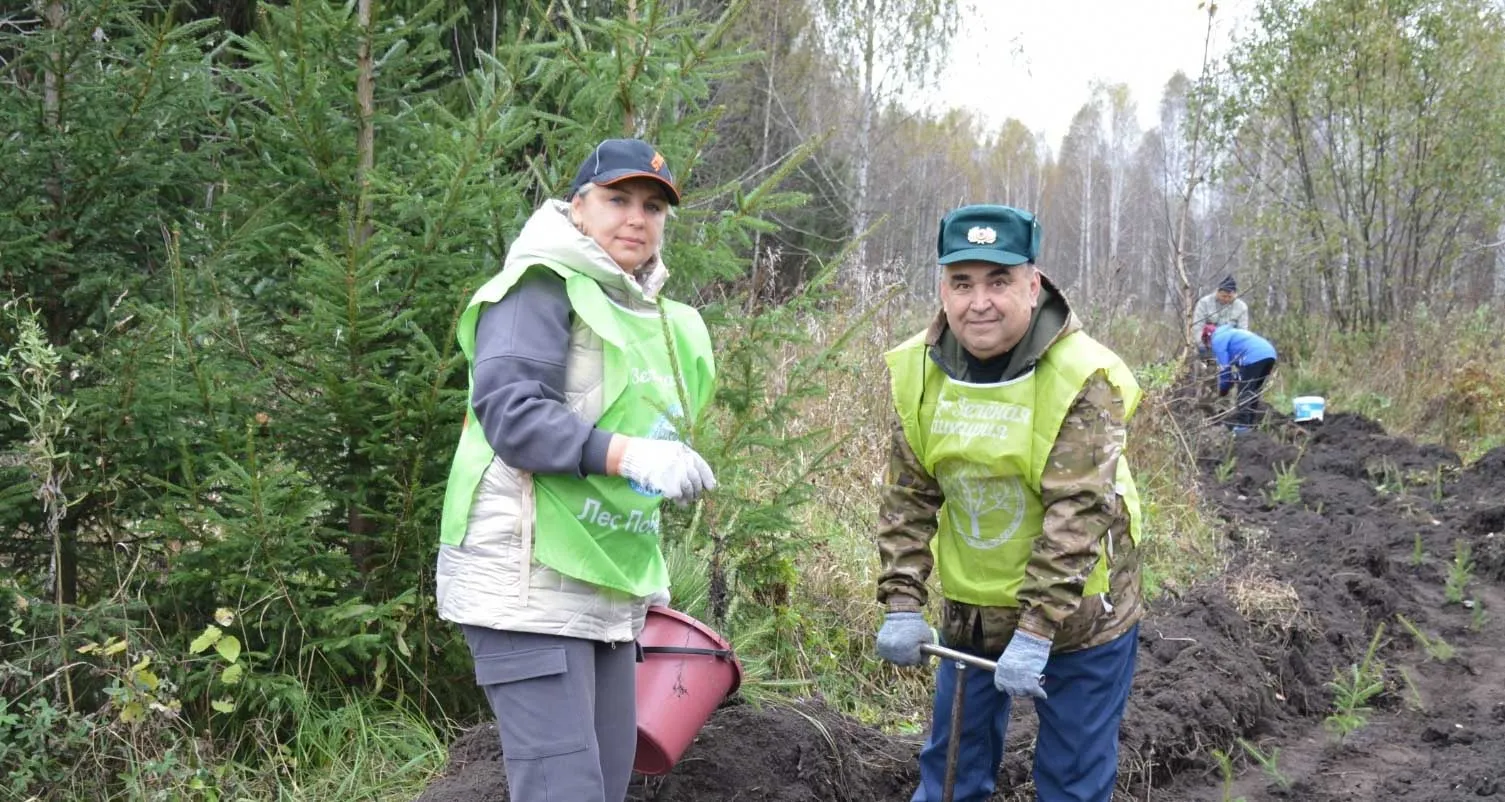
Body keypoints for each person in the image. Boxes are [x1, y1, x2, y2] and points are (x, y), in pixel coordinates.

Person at [435, 138, 718, 802]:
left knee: (607, 781)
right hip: (525, 581)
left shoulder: (651, 318)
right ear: (579, 206)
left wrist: (643, 571)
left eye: (652, 207)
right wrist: (633, 456)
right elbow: (512, 416)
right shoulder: (538, 286)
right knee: (564, 790)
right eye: (617, 199)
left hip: (605, 586)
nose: (635, 218)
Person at [875, 204, 1144, 802]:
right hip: (971, 615)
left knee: (1070, 783)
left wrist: (1038, 629)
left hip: (1079, 621)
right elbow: (908, 496)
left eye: (999, 281)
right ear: (942, 287)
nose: (980, 303)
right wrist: (900, 601)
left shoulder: (1082, 375)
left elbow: (1076, 515)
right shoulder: (919, 371)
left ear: (1032, 282)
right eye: (962, 283)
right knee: (949, 777)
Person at [1203, 323, 1277, 432]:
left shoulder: (1217, 340)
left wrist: (1223, 389)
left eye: (1206, 346)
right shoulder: (1231, 333)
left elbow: (1225, 369)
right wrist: (1236, 377)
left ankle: (1243, 426)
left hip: (1254, 356)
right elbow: (1239, 368)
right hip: (1269, 354)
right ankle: (1250, 424)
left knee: (1244, 391)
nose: (1209, 349)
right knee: (1253, 391)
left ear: (1207, 339)